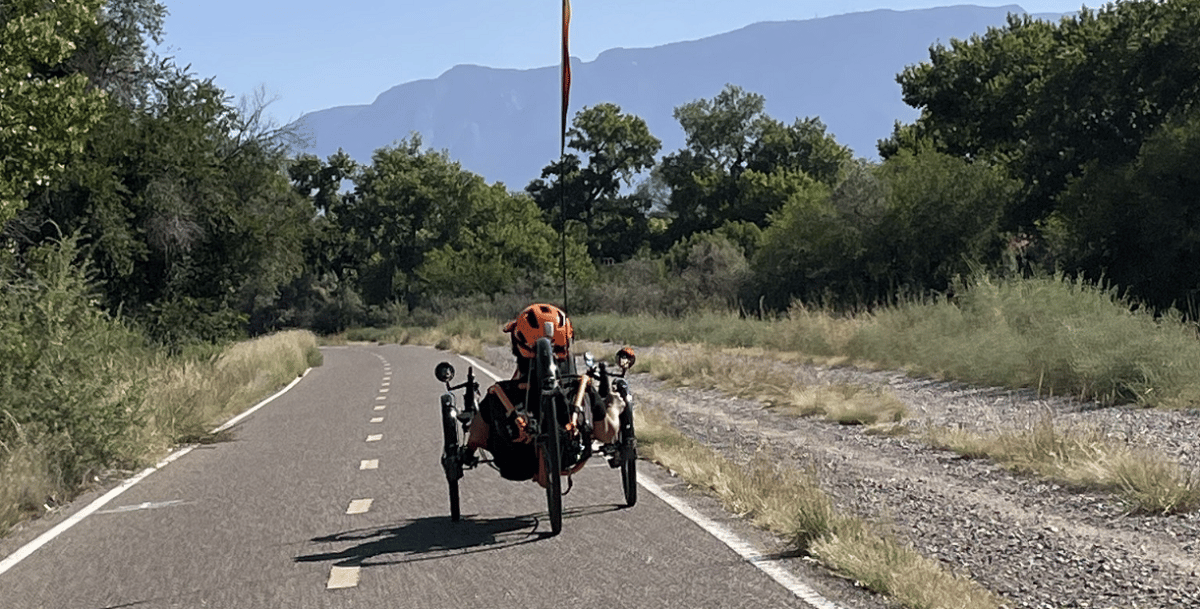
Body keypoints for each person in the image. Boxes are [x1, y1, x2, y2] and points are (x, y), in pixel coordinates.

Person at [463, 303, 624, 485]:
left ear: (518, 344)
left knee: (486, 414)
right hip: (570, 459)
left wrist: (470, 449)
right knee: (609, 414)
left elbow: (477, 437)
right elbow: (607, 435)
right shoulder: (579, 389)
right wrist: (611, 407)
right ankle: (616, 405)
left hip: (514, 464)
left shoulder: (500, 395)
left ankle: (467, 452)